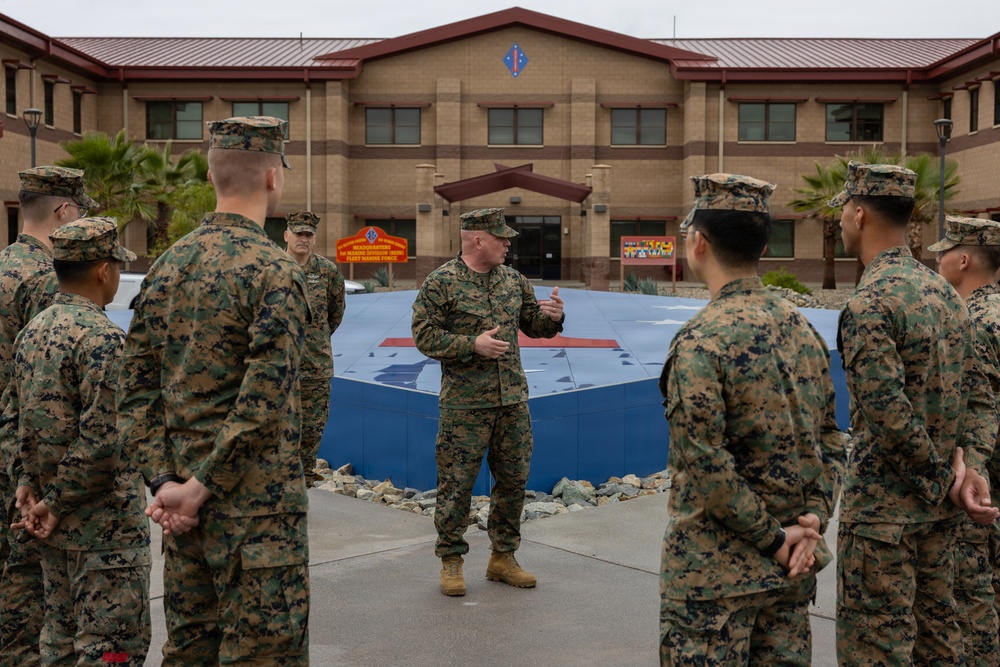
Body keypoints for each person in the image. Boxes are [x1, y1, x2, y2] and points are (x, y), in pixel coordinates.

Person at [117, 116, 311, 666]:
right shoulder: (276, 272)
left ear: (210, 172)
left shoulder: (165, 267)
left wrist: (165, 481)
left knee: (190, 652)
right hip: (257, 515)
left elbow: (134, 391)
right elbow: (263, 402)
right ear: (274, 177)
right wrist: (199, 489)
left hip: (180, 513)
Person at [657, 173, 843, 666]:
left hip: (713, 581)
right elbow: (831, 440)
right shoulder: (803, 331)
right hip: (791, 572)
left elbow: (705, 462)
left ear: (698, 243)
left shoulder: (701, 340)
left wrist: (775, 539)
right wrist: (813, 521)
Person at [833, 162, 999, 666]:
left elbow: (885, 413)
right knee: (939, 644)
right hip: (942, 515)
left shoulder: (870, 302)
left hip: (884, 517)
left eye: (842, 210)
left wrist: (939, 478)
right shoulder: (946, 296)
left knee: (877, 651)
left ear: (859, 214)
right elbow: (980, 397)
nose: (840, 221)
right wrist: (967, 470)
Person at [8, 216, 150, 666]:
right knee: (110, 650)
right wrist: (58, 500)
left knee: (59, 644)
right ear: (103, 270)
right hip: (103, 534)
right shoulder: (103, 338)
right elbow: (105, 439)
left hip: (50, 526)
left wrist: (28, 486)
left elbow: (14, 417)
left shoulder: (32, 332)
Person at [411, 207, 564, 597]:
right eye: (501, 237)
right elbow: (425, 337)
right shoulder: (440, 283)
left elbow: (535, 325)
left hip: (512, 401)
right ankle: (451, 560)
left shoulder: (513, 280)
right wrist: (470, 344)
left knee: (513, 482)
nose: (508, 243)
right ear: (478, 239)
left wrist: (553, 317)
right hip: (464, 406)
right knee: (456, 485)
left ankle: (502, 558)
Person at [0, 166, 97, 666]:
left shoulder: (2, 265)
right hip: (20, 454)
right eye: (78, 212)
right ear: (63, 211)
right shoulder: (43, 276)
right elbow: (44, 385)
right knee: (29, 589)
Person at [930, 214, 1000, 667]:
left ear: (963, 259)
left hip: (982, 484)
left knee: (974, 612)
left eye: (944, 252)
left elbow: (975, 409)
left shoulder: (972, 322)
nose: (938, 261)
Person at [284, 211, 345, 480]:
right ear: (286, 235)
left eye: (308, 235)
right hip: (276, 366)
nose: (303, 239)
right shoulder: (271, 268)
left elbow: (335, 313)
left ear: (315, 238)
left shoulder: (327, 272)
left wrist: (314, 339)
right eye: (298, 234)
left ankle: (302, 487)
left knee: (311, 430)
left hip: (315, 367)